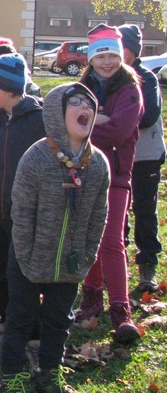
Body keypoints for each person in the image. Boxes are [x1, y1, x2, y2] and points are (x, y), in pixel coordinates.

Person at [0, 83, 109, 393]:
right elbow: (21, 211)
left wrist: (87, 255)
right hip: (28, 258)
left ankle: (50, 373)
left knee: (59, 320)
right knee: (20, 317)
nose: (84, 107)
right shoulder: (36, 157)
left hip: (70, 261)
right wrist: (26, 257)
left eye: (89, 103)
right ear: (55, 112)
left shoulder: (98, 164)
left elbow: (99, 214)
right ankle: (13, 375)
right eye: (75, 102)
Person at [0, 53, 45, 359]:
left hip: (24, 213)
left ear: (9, 87)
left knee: (23, 275)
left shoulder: (40, 120)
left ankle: (33, 337)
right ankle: (2, 330)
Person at [74, 24, 143, 342]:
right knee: (89, 238)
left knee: (112, 241)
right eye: (100, 56)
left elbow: (119, 131)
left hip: (116, 176)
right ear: (91, 59)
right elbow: (67, 124)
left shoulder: (130, 89)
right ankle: (91, 298)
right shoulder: (82, 88)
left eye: (112, 55)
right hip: (85, 172)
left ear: (121, 57)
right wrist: (97, 120)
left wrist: (88, 125)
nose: (106, 62)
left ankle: (120, 309)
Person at [119, 24, 164, 293]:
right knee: (117, 211)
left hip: (146, 154)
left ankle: (147, 264)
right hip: (117, 153)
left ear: (135, 51)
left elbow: (149, 117)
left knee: (145, 210)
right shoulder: (108, 78)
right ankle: (117, 262)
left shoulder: (147, 78)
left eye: (124, 47)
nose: (119, 53)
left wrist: (115, 118)